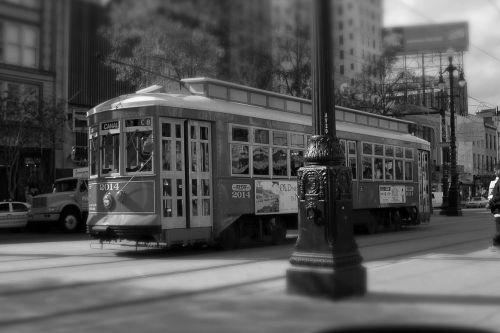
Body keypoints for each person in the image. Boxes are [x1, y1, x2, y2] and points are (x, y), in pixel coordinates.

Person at [487, 163, 500, 248]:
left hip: (498, 208)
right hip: (497, 208)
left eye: (496, 170)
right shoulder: (498, 181)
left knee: (498, 227)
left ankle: (496, 243)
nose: (495, 172)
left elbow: (498, 195)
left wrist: (490, 202)